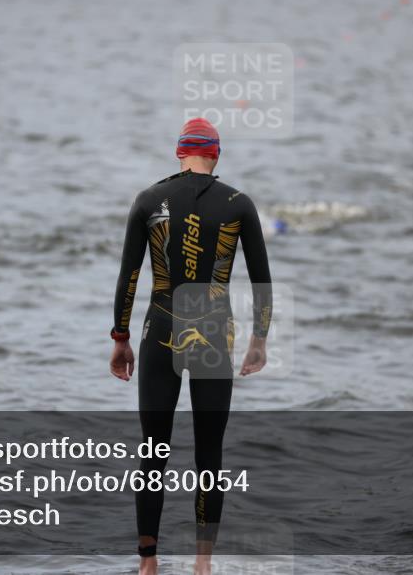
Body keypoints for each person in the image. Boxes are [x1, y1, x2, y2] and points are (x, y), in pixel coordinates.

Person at [109, 118, 272, 575]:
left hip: (159, 332)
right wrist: (259, 339)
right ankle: (203, 564)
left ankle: (148, 563)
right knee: (209, 454)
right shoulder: (239, 203)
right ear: (216, 155)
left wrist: (120, 338)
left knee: (154, 451)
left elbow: (129, 277)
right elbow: (261, 280)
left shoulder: (146, 200)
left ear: (179, 153)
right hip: (216, 335)